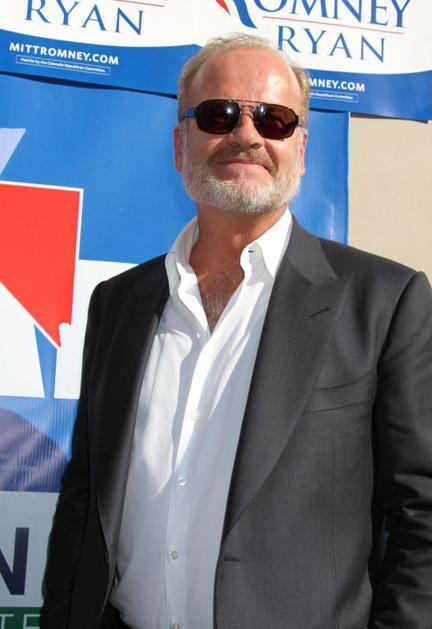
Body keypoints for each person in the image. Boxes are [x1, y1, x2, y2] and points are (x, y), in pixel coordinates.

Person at [41, 33, 432, 629]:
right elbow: (86, 494)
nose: (246, 135)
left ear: (301, 148)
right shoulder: (118, 304)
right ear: (181, 144)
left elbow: (421, 513)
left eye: (274, 119)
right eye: (219, 114)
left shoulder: (384, 302)